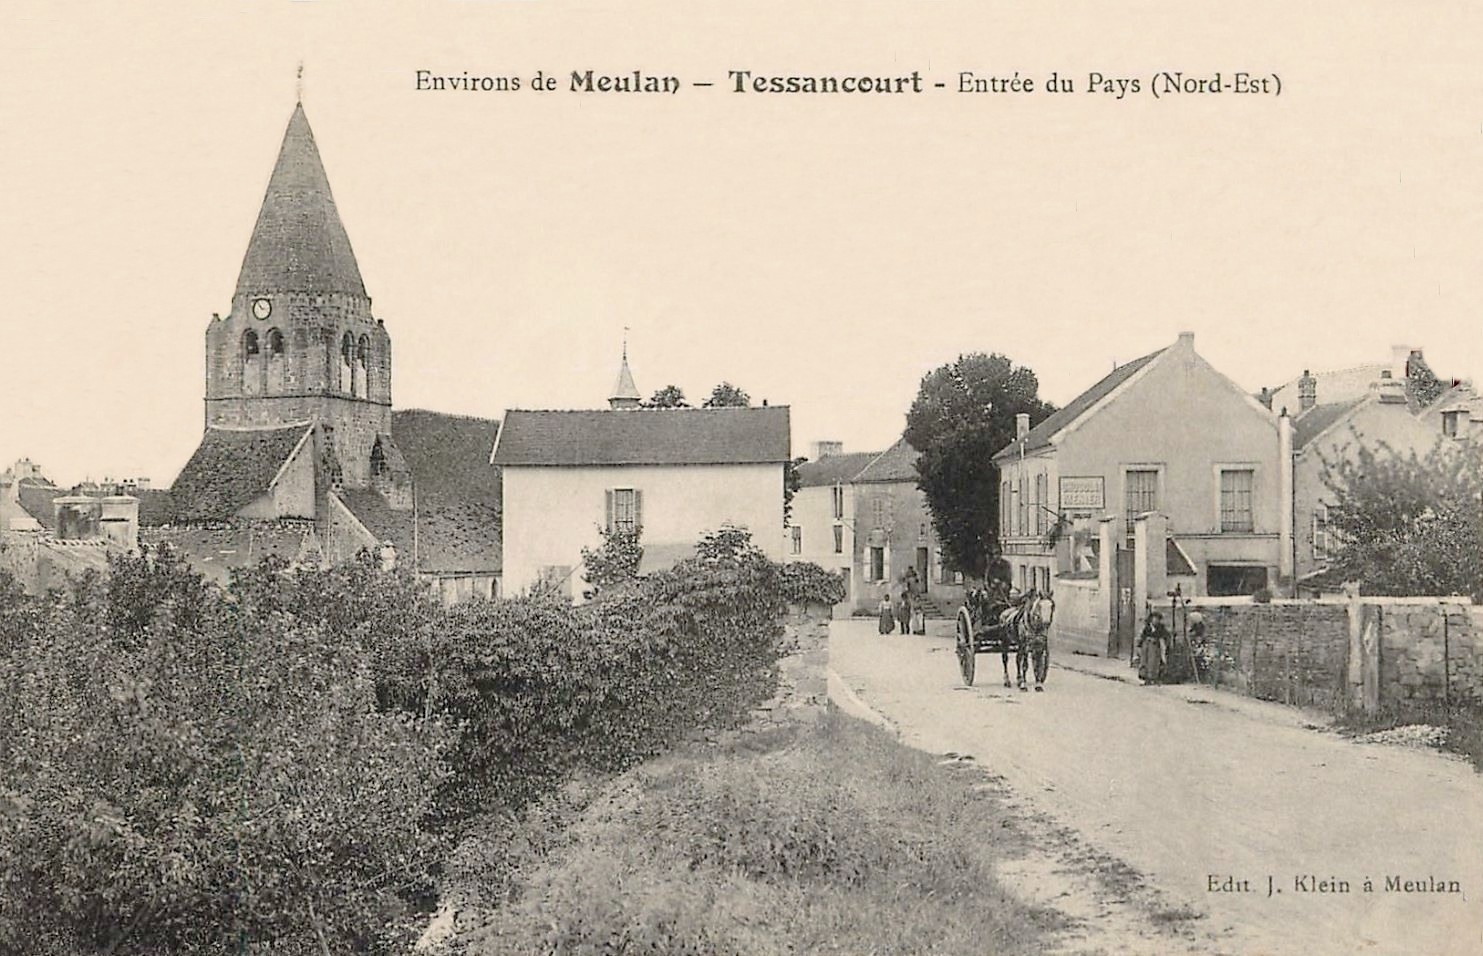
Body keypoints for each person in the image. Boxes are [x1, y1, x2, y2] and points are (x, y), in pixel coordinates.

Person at [1138, 611, 1170, 685]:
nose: (1156, 620)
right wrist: (1140, 645)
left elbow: (1165, 636)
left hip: (1155, 646)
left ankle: (1153, 678)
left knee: (1154, 662)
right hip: (1146, 646)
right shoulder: (1147, 627)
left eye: (1157, 619)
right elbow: (1142, 636)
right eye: (1154, 618)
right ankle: (1146, 678)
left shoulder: (1161, 627)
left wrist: (1163, 643)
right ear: (1151, 619)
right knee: (1144, 661)